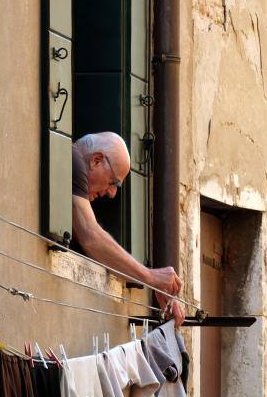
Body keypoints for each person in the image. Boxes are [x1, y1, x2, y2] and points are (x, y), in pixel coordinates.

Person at [71, 132, 185, 326]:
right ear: (96, 160)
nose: (113, 193)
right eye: (113, 182)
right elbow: (91, 237)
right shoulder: (74, 161)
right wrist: (150, 276)